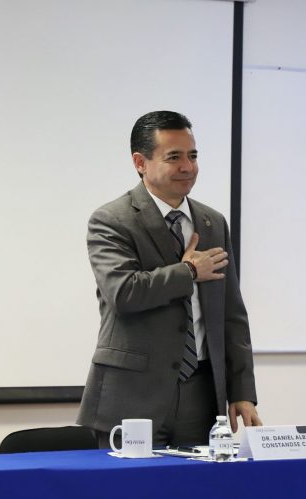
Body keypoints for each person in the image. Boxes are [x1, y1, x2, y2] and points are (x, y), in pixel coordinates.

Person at [77, 110, 261, 447]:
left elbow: (231, 314)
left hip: (201, 393)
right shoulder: (112, 220)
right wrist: (189, 271)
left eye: (193, 156)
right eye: (174, 157)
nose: (187, 167)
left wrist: (242, 391)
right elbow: (124, 292)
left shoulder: (212, 222)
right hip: (132, 395)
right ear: (140, 162)